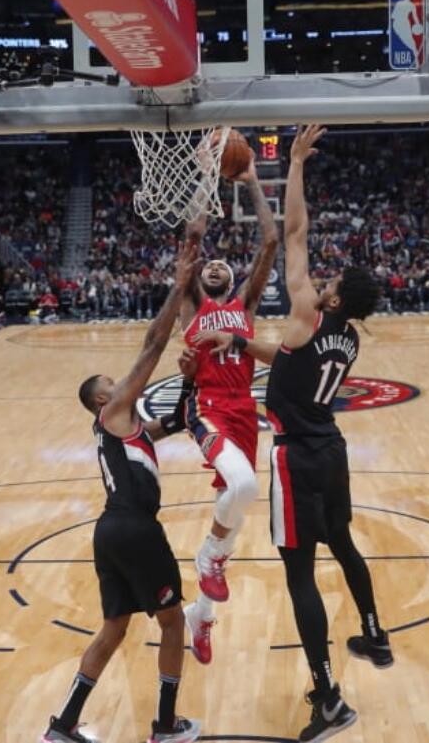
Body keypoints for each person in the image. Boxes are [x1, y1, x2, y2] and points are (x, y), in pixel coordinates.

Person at [194, 125, 386, 742]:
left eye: (331, 282)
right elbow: (290, 359)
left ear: (334, 295)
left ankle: (329, 698)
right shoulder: (347, 336)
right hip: (332, 451)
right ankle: (375, 633)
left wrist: (295, 164)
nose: (321, 280)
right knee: (346, 545)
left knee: (300, 575)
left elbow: (294, 232)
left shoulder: (308, 309)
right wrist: (242, 341)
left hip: (297, 458)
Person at [41, 239, 202, 743]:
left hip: (111, 531)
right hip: (134, 528)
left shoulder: (125, 427)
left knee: (113, 630)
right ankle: (165, 725)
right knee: (174, 624)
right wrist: (178, 286)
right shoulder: (112, 413)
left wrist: (192, 383)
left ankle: (62, 726)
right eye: (114, 383)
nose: (123, 384)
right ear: (102, 400)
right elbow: (153, 345)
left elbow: (172, 424)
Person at [178, 145, 280, 663]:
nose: (215, 266)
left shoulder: (246, 305)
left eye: (223, 265)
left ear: (233, 281)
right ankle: (205, 558)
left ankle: (201, 616)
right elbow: (194, 240)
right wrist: (204, 178)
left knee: (237, 513)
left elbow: (269, 240)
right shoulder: (192, 307)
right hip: (208, 406)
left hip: (244, 410)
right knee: (243, 486)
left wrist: (255, 180)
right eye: (209, 265)